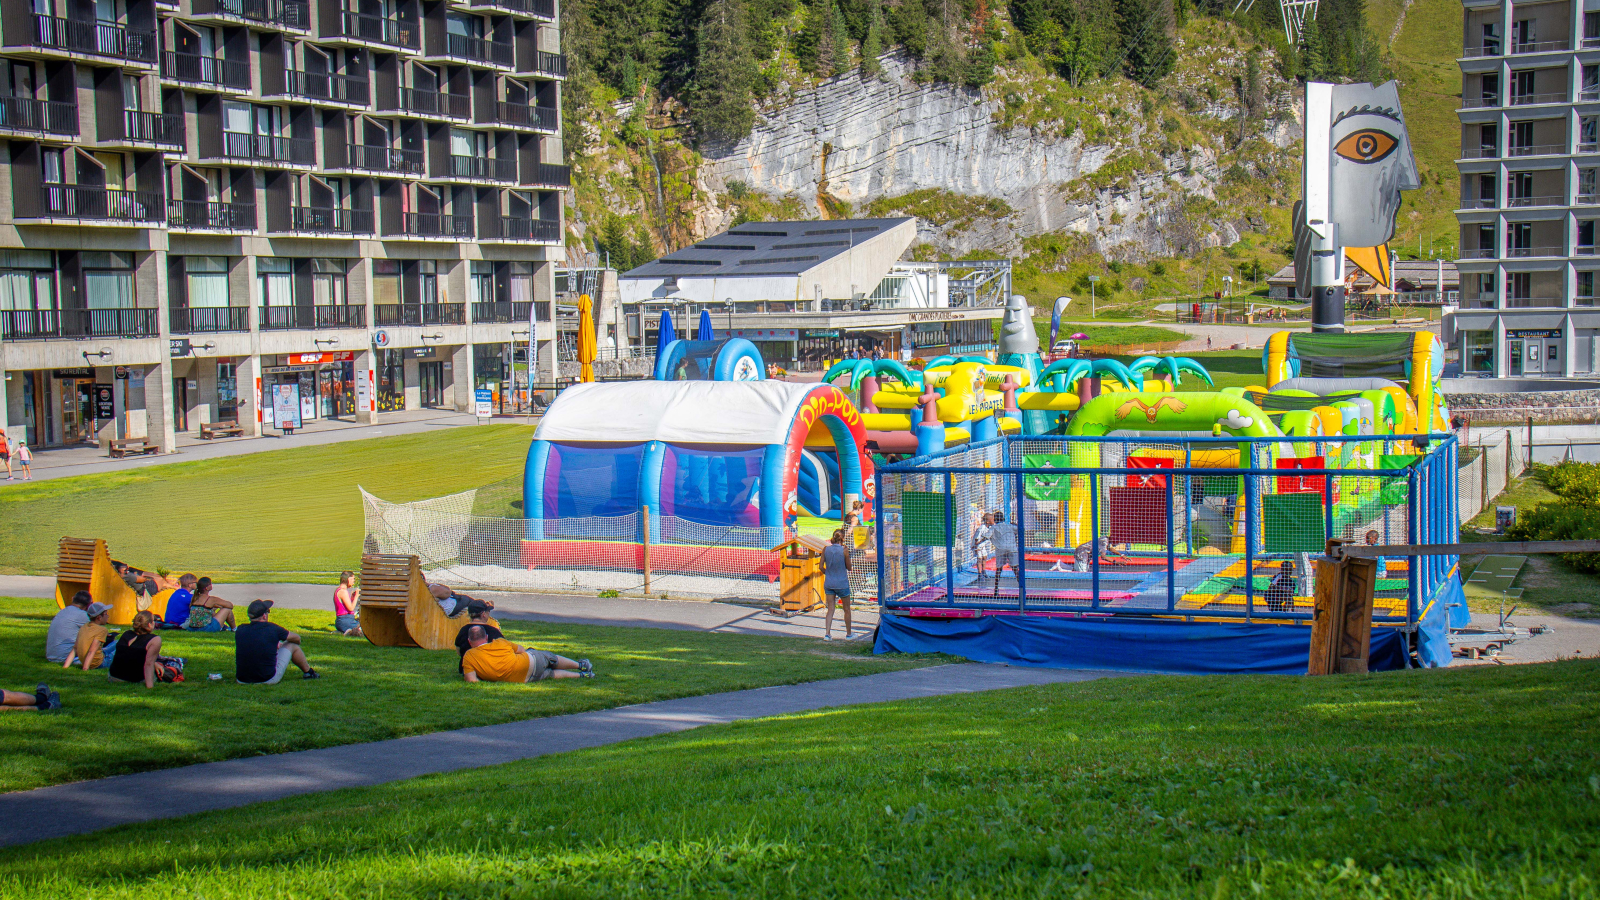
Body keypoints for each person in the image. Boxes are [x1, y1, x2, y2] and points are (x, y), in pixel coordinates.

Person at [460, 625, 592, 683]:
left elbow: (472, 680)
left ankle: (582, 676)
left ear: (469, 641)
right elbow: (521, 650)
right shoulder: (500, 642)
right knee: (550, 658)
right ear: (487, 636)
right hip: (529, 662)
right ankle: (581, 665)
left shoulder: (469, 656)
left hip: (523, 679)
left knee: (550, 674)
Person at [235, 600, 319, 684]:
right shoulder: (272, 629)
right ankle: (309, 672)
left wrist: (274, 642)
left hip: (242, 680)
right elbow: (297, 638)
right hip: (267, 678)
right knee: (292, 645)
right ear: (264, 616)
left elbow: (255, 642)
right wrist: (282, 642)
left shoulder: (240, 629)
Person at [109, 611, 163, 688]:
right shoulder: (155, 640)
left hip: (114, 676)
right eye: (153, 620)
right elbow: (149, 664)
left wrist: (155, 664)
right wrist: (150, 687)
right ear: (149, 624)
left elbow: (132, 654)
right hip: (134, 678)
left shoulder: (126, 634)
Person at [62, 602, 117, 671]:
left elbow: (75, 648)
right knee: (122, 649)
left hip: (87, 659)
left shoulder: (84, 626)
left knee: (117, 642)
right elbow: (92, 651)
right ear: (99, 617)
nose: (108, 616)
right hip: (99, 663)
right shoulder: (102, 630)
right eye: (106, 614)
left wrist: (65, 666)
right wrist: (85, 668)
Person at [821, 529, 853, 641]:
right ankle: (849, 634)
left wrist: (828, 573)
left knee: (830, 609)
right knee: (846, 609)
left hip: (829, 583)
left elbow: (821, 567)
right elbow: (849, 567)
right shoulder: (844, 550)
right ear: (843, 539)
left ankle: (827, 633)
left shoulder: (825, 549)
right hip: (842, 583)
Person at [453, 599, 503, 672]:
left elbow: (459, 651)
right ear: (483, 614)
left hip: (466, 669)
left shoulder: (463, 630)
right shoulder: (494, 631)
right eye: (488, 612)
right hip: (488, 669)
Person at [45, 591, 93, 663]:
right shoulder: (82, 615)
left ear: (73, 599)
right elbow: (95, 633)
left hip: (52, 655)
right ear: (88, 605)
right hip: (66, 657)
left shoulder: (63, 611)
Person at [987, 511, 1020, 596]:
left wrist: (977, 542)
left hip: (1000, 549)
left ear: (995, 519)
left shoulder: (994, 528)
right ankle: (1021, 587)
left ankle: (996, 589)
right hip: (1011, 548)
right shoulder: (1009, 526)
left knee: (999, 568)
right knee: (1015, 568)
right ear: (1003, 518)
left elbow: (986, 536)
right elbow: (1020, 529)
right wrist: (1015, 524)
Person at [1061, 535, 1126, 573]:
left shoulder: (1106, 539)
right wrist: (1116, 562)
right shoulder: (1104, 542)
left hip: (1085, 553)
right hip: (1082, 553)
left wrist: (1121, 555)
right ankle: (1060, 568)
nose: (1117, 544)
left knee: (1079, 571)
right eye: (1117, 542)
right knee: (1082, 574)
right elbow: (1103, 557)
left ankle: (1061, 565)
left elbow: (1110, 548)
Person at [332, 570, 362, 636]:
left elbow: (345, 606)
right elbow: (351, 608)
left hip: (342, 621)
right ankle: (349, 631)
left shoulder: (339, 590)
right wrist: (357, 596)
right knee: (365, 628)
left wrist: (353, 597)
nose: (354, 582)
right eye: (353, 579)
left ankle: (343, 630)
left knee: (362, 624)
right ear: (348, 579)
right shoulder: (343, 591)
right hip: (345, 620)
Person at [970, 511, 994, 580]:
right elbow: (977, 537)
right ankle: (979, 574)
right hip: (978, 546)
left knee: (984, 557)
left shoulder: (989, 528)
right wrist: (976, 544)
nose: (994, 521)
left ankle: (984, 572)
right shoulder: (982, 528)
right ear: (988, 522)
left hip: (982, 546)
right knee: (979, 559)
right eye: (992, 520)